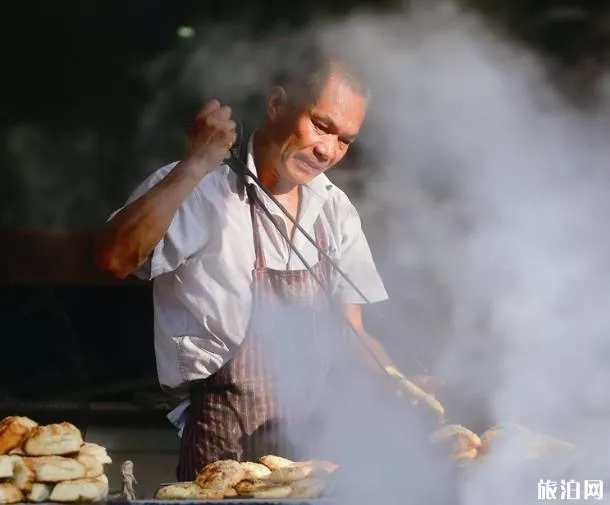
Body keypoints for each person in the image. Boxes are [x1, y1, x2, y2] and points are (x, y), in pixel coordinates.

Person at [94, 45, 418, 480]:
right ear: (277, 104)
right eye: (321, 126)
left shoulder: (334, 209)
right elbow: (113, 259)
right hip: (221, 446)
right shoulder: (203, 190)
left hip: (313, 446)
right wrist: (195, 163)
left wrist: (397, 380)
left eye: (344, 139)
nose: (329, 151)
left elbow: (351, 331)